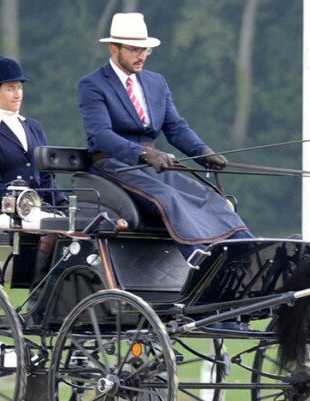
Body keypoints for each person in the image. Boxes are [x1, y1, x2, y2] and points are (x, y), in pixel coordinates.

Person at [77, 12, 251, 260]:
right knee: (169, 198)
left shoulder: (156, 82)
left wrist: (204, 153)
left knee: (207, 196)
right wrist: (143, 153)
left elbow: (176, 128)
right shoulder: (92, 85)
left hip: (155, 164)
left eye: (146, 50)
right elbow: (101, 134)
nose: (142, 56)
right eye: (135, 50)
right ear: (114, 49)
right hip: (114, 165)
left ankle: (248, 252)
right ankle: (201, 260)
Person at [0, 56, 59, 220]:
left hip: (40, 211)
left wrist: (61, 203)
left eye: (20, 88)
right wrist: (30, 203)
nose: (18, 95)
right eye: (11, 89)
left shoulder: (34, 127)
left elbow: (47, 177)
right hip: (4, 212)